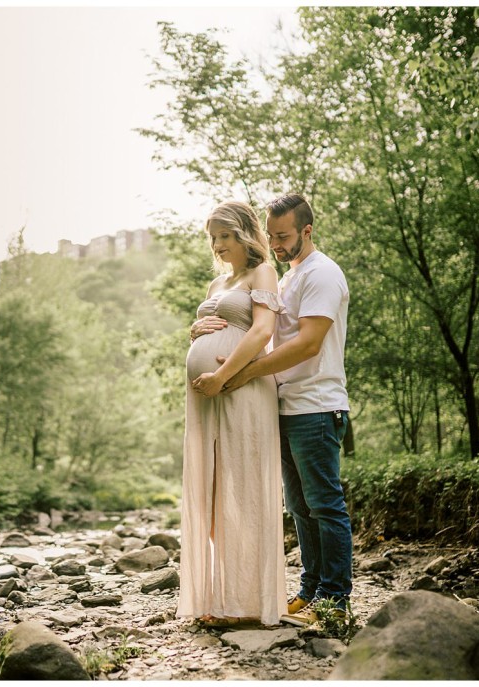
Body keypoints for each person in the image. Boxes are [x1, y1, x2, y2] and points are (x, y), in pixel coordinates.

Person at [190, 193, 352, 626]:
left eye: (283, 236)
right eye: (272, 235)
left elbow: (307, 343)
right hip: (285, 404)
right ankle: (311, 590)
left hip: (315, 404)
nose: (276, 244)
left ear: (306, 231)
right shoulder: (287, 278)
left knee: (325, 504)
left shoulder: (323, 274)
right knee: (300, 507)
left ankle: (335, 600)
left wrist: (239, 374)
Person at [176, 201, 288, 627]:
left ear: (243, 233)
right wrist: (193, 331)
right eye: (213, 237)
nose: (218, 244)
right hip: (207, 396)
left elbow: (263, 332)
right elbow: (210, 325)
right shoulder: (215, 284)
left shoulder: (263, 273)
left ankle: (247, 603)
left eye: (224, 235)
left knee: (243, 489)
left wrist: (222, 375)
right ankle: (218, 595)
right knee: (211, 488)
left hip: (241, 388)